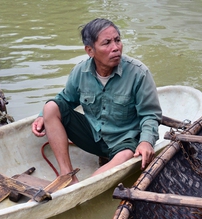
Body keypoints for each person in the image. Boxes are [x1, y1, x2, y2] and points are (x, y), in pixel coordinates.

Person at [31, 18, 162, 184]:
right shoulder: (80, 71)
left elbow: (150, 115)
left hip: (124, 142)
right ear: (90, 51)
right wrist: (43, 116)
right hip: (94, 136)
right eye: (107, 43)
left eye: (117, 40)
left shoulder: (139, 73)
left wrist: (145, 142)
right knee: (51, 107)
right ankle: (67, 176)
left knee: (126, 154)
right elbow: (65, 99)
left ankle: (87, 185)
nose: (115, 48)